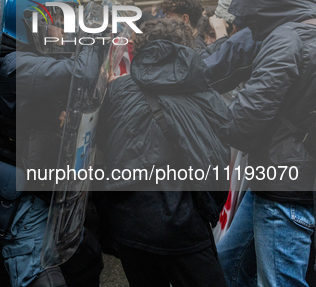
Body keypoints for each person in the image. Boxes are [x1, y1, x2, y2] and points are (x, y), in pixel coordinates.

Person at [97, 17, 231, 287]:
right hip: (181, 223)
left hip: (127, 221)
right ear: (184, 49)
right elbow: (223, 147)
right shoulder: (202, 92)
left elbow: (101, 143)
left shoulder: (118, 89)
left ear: (142, 49)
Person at [0, 0, 104, 287]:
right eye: (58, 22)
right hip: (21, 197)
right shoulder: (13, 64)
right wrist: (94, 37)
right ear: (31, 24)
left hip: (45, 185)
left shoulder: (36, 56)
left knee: (87, 260)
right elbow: (80, 75)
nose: (65, 32)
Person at [218, 0, 316, 287]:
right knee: (228, 261)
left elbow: (244, 121)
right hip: (286, 178)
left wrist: (208, 118)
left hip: (285, 189)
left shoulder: (285, 39)